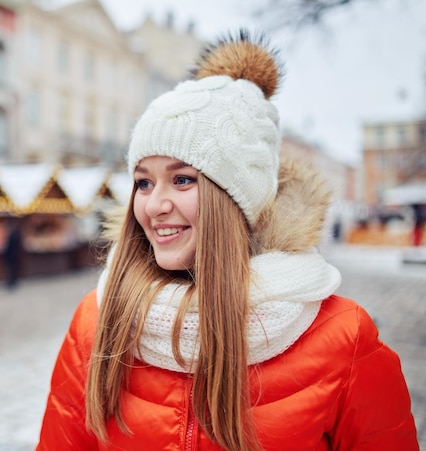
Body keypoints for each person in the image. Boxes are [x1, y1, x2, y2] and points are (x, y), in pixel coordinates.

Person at [37, 31, 418, 450]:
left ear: (237, 198)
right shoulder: (98, 319)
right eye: (143, 183)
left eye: (182, 179)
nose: (154, 205)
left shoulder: (343, 337)